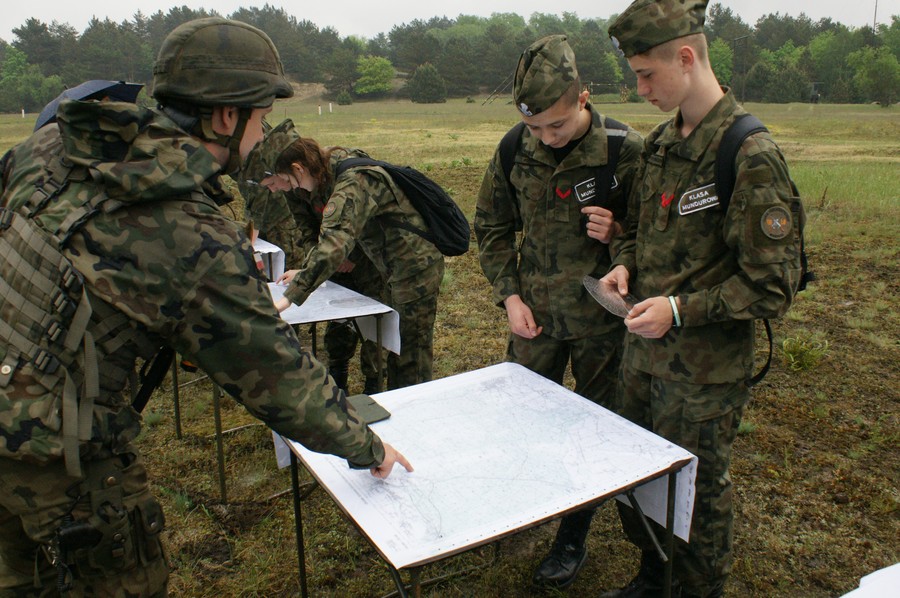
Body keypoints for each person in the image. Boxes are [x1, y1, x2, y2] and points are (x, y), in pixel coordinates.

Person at [0, 17, 411, 597]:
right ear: (226, 116)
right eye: (261, 118)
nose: (260, 133)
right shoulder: (183, 225)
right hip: (56, 452)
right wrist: (365, 445)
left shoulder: (54, 146)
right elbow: (274, 372)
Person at [600, 2, 805, 597]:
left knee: (697, 492)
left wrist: (681, 309)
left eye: (646, 74)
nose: (638, 89)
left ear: (686, 59)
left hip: (704, 375)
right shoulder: (662, 143)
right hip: (642, 357)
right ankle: (651, 577)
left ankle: (695, 590)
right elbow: (642, 228)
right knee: (640, 478)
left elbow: (771, 283)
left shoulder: (748, 153)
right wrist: (624, 263)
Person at [474, 34, 643, 590]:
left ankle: (573, 533)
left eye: (558, 126)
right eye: (536, 128)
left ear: (584, 98)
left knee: (594, 428)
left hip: (600, 323)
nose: (546, 138)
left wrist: (617, 236)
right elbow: (492, 227)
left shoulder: (625, 150)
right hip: (535, 319)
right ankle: (522, 507)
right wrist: (511, 297)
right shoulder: (511, 150)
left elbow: (653, 239)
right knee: (524, 418)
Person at [257, 125, 445, 391]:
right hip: (389, 266)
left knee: (408, 351)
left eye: (284, 181)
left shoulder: (352, 179)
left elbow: (335, 240)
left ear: (298, 169)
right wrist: (307, 271)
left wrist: (287, 299)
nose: (282, 189)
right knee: (396, 341)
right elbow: (322, 238)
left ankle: (413, 412)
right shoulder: (324, 176)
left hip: (414, 266)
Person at [239, 120, 385, 393]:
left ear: (294, 170)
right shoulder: (294, 189)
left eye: (275, 181)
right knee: (339, 329)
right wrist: (310, 265)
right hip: (334, 263)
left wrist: (296, 290)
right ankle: (338, 383)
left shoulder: (345, 176)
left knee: (373, 333)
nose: (274, 188)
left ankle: (374, 389)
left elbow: (346, 233)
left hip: (371, 262)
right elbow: (309, 232)